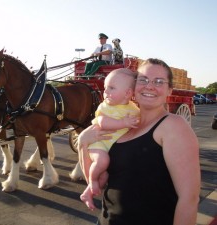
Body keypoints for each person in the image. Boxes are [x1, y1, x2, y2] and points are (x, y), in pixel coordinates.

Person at [78, 58, 200, 225]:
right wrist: (83, 144)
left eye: (158, 81)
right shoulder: (123, 124)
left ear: (169, 90)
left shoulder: (173, 126)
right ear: (133, 88)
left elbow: (189, 198)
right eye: (143, 80)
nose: (149, 86)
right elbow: (97, 179)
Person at [80, 68, 140, 211]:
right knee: (102, 161)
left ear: (128, 93)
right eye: (105, 87)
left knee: (105, 176)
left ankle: (87, 193)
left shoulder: (134, 109)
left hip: (109, 146)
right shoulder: (105, 106)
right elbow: (102, 122)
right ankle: (92, 181)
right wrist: (123, 123)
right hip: (98, 143)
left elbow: (139, 122)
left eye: (111, 88)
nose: (105, 91)